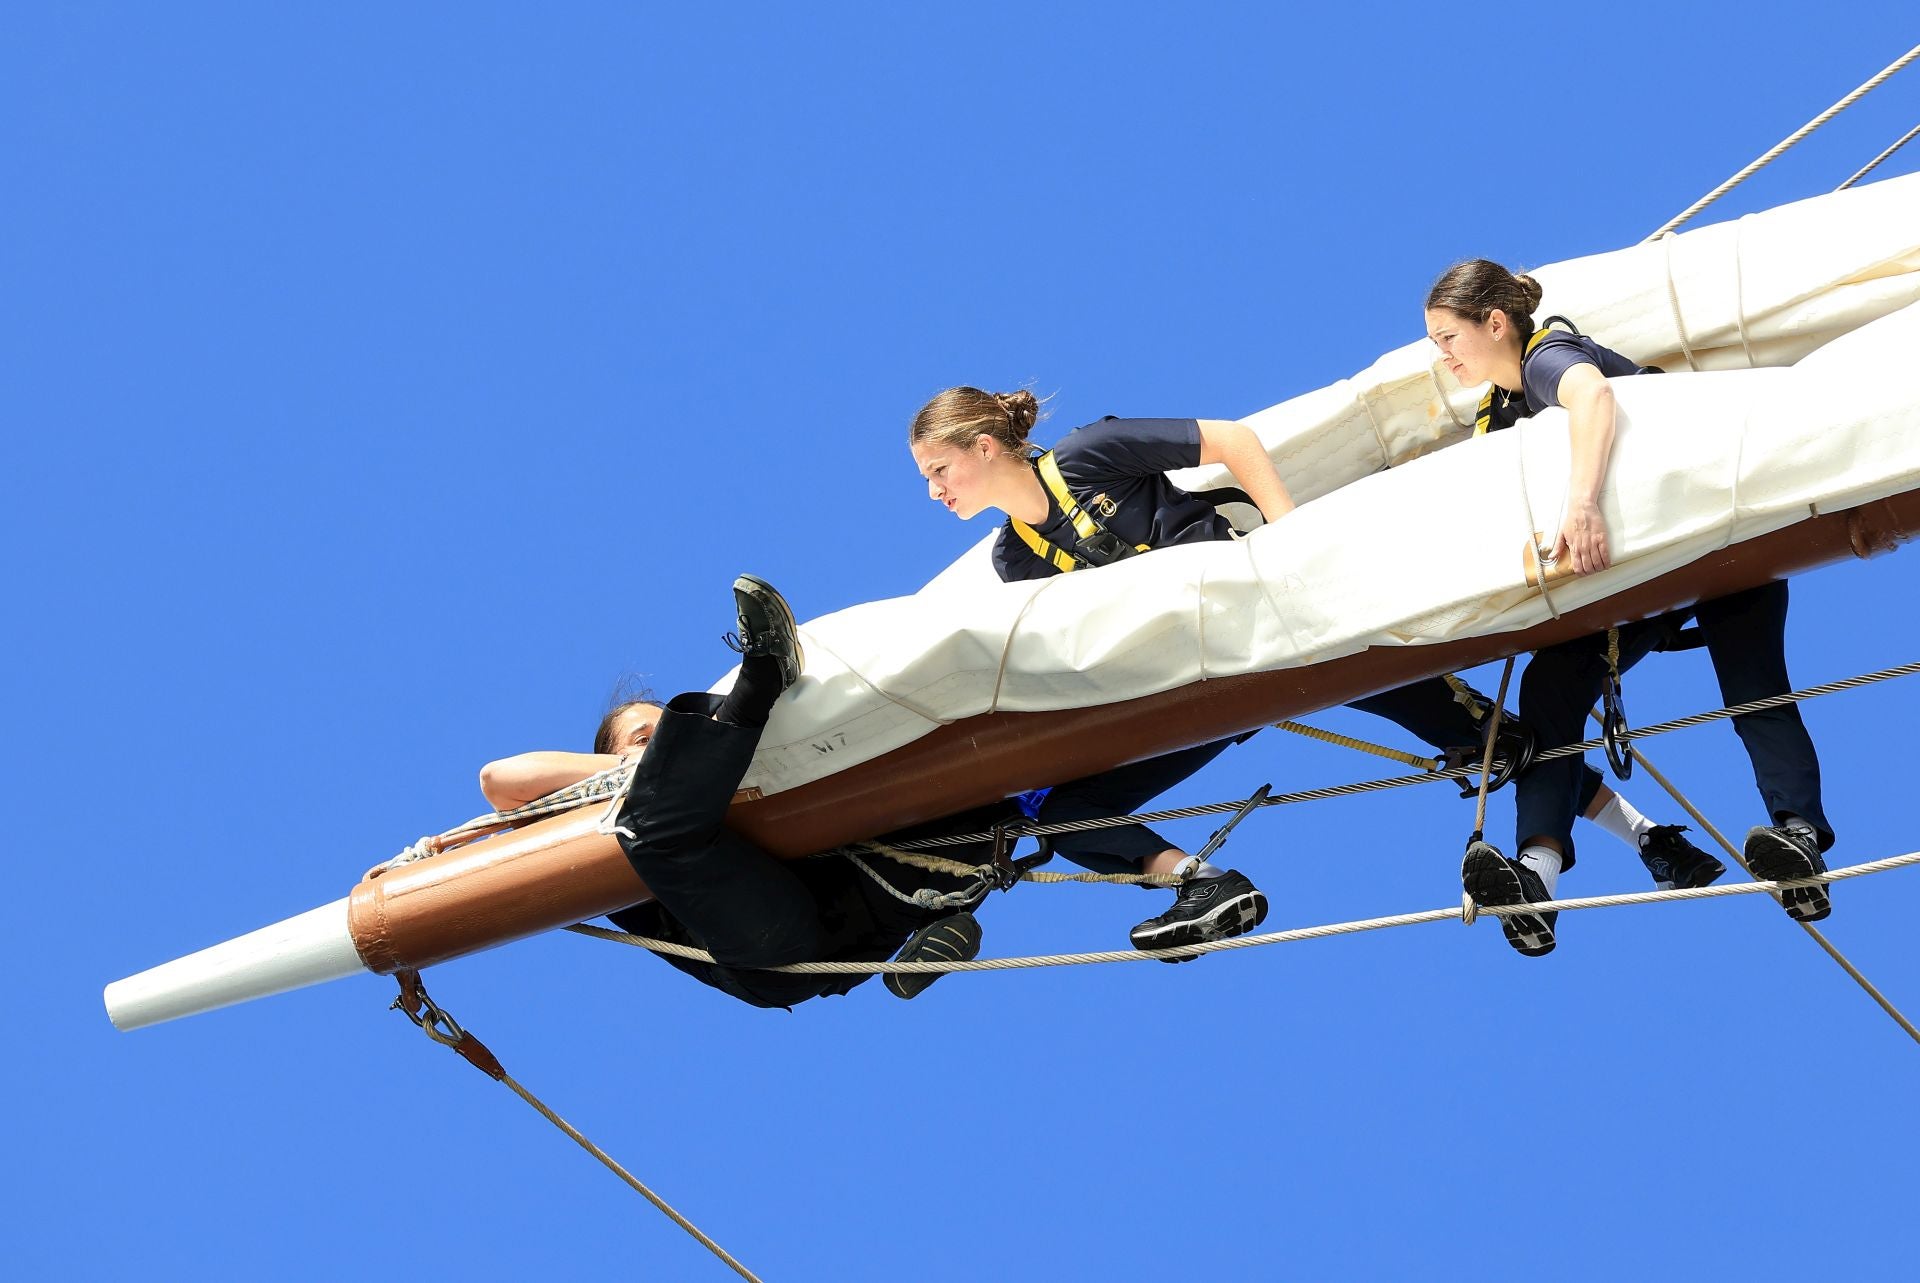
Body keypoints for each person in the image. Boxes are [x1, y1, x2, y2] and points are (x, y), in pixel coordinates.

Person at [906, 387, 1708, 949]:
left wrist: (1290, 547)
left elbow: (1231, 441)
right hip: (1199, 686)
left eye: (939, 471)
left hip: (1278, 622)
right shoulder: (1017, 558)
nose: (934, 490)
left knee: (1492, 740)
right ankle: (1199, 881)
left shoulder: (1088, 454)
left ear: (983, 447)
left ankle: (1644, 835)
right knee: (1065, 812)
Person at [1424, 259, 1835, 956]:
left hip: (1714, 540)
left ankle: (1798, 838)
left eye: (1447, 337)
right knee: (1551, 687)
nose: (1443, 356)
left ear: (1495, 323)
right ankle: (1537, 876)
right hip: (1641, 583)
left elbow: (1594, 400)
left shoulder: (1547, 355)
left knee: (1753, 685)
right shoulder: (1497, 419)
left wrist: (1581, 505)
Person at [478, 574, 1001, 1006]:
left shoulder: (736, 768)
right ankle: (761, 681)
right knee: (652, 828)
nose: (665, 742)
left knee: (985, 782)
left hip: (871, 897)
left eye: (670, 732)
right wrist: (633, 765)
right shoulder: (608, 813)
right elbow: (499, 781)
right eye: (646, 736)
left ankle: (950, 910)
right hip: (775, 949)